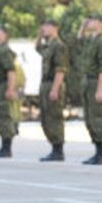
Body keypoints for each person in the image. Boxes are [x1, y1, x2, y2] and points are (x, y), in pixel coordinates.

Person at [78, 13, 102, 165]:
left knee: (98, 119)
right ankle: (97, 152)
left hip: (96, 82)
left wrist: (100, 89)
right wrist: (83, 26)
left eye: (91, 20)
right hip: (88, 82)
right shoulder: (90, 41)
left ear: (100, 23)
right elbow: (79, 41)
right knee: (90, 119)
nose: (88, 22)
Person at [36, 19, 68, 162]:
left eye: (47, 26)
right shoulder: (48, 46)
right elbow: (38, 48)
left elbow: (60, 70)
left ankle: (58, 150)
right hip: (45, 84)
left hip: (53, 83)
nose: (44, 29)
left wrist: (55, 89)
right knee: (45, 117)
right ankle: (54, 147)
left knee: (54, 117)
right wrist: (39, 35)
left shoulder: (58, 46)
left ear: (55, 28)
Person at [0, 25, 17, 158]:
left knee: (3, 116)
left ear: (5, 35)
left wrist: (10, 89)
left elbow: (11, 71)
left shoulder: (4, 50)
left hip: (3, 85)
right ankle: (4, 146)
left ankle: (7, 148)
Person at [12, 60, 26, 135]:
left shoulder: (12, 65)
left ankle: (14, 127)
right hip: (19, 89)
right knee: (18, 109)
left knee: (13, 109)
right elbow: (23, 78)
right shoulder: (19, 65)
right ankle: (16, 127)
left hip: (13, 89)